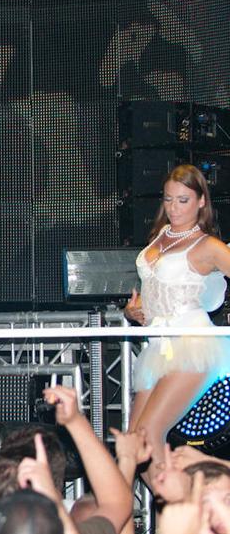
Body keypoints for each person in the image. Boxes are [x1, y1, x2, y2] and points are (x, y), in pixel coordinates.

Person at [125, 164, 230, 480]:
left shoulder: (207, 245)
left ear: (201, 201)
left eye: (183, 200)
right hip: (158, 345)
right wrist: (133, 311)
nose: (174, 208)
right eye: (168, 199)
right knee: (133, 444)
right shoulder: (160, 237)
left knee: (149, 433)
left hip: (192, 344)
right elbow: (154, 292)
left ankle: (182, 506)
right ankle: (177, 504)